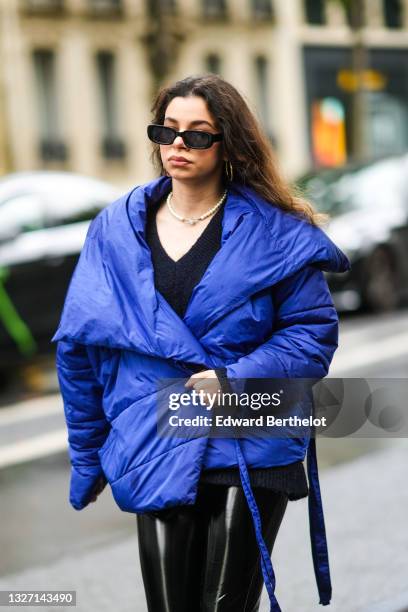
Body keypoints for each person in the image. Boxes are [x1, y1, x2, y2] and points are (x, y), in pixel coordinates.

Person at [52, 74, 351, 612]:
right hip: (154, 436)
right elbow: (79, 352)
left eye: (197, 135)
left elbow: (312, 334)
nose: (177, 147)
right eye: (166, 132)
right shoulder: (115, 231)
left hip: (248, 436)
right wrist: (88, 459)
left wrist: (238, 377)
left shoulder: (274, 232)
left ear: (228, 142)